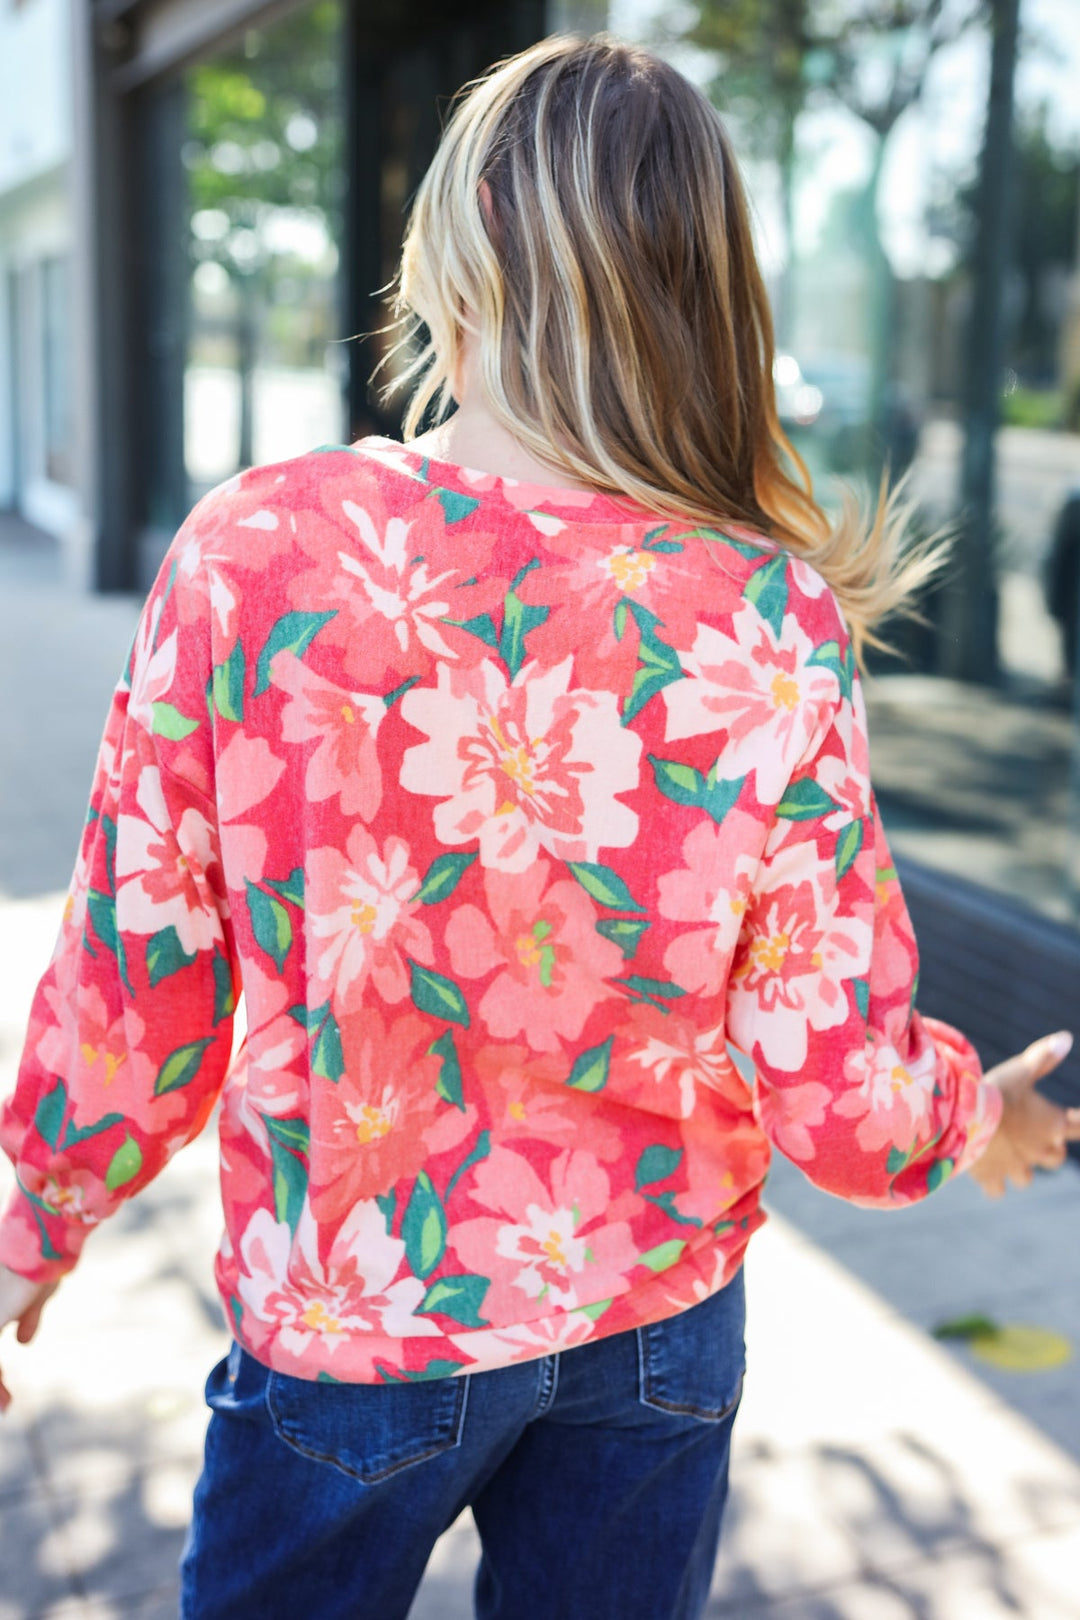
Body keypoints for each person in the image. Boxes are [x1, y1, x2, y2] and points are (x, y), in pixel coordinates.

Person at [1, 34, 1077, 1620]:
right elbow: (836, 1088)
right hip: (655, 1331)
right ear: (700, 285)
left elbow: (135, 979)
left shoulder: (258, 555)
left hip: (353, 1319)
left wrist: (31, 1230)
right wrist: (972, 1118)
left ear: (457, 244)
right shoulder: (766, 616)